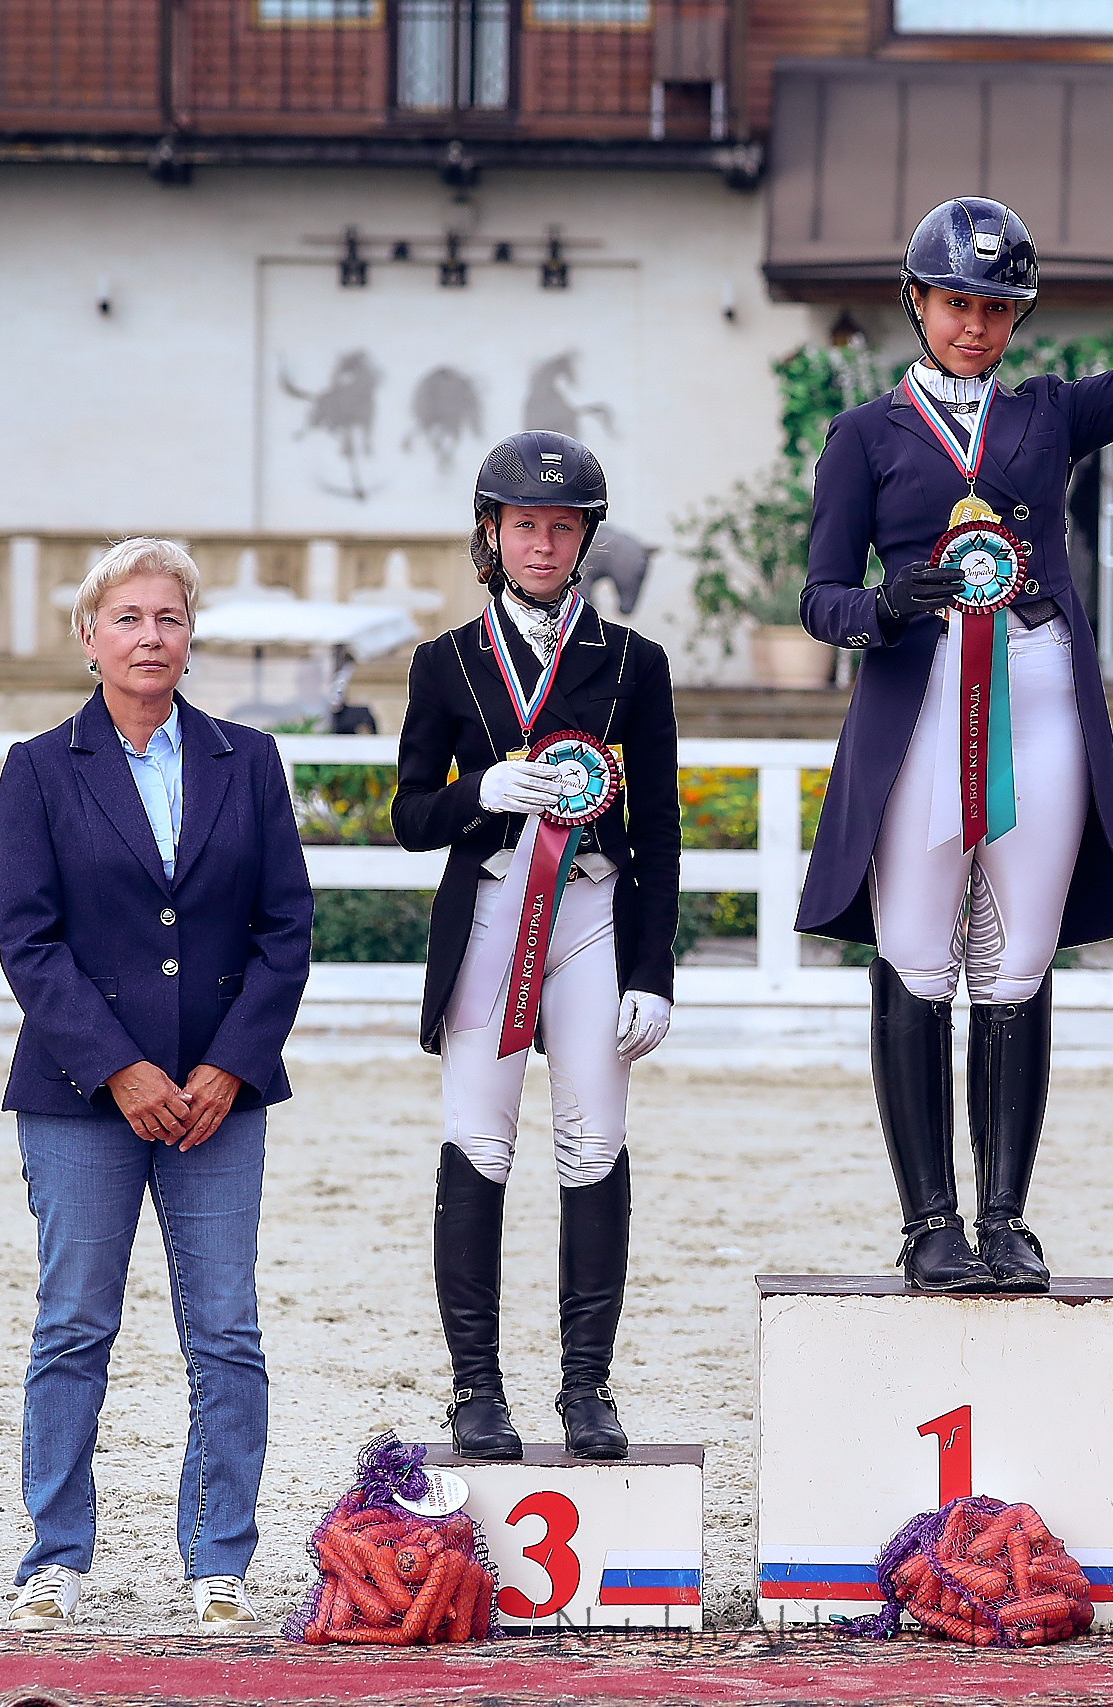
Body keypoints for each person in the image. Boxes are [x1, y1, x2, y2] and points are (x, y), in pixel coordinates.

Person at [797, 159, 1113, 1294]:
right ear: (917, 301)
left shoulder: (1048, 412)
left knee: (1015, 960)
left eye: (997, 307)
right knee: (916, 952)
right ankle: (928, 1222)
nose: (976, 324)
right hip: (918, 703)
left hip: (1036, 692)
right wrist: (884, 605)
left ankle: (1006, 1217)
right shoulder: (864, 435)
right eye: (958, 302)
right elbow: (817, 596)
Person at [0, 537, 313, 1633]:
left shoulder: (248, 760)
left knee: (225, 1329)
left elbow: (285, 932)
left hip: (220, 1099)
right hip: (82, 1094)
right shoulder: (39, 768)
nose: (149, 636)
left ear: (190, 635)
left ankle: (217, 1558)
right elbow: (29, 944)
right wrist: (122, 1069)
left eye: (167, 617)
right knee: (73, 1326)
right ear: (90, 637)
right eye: (126, 618)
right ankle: (54, 1557)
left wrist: (227, 1066)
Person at [393, 430, 680, 1462]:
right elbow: (408, 815)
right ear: (492, 533)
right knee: (479, 1139)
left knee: (592, 1142)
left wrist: (653, 970)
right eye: (526, 527)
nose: (545, 544)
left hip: (593, 918)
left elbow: (662, 830)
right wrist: (481, 793)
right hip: (489, 917)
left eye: (564, 528)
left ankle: (586, 1387)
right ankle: (477, 1389)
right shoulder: (443, 665)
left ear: (586, 538)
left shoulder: (632, 665)